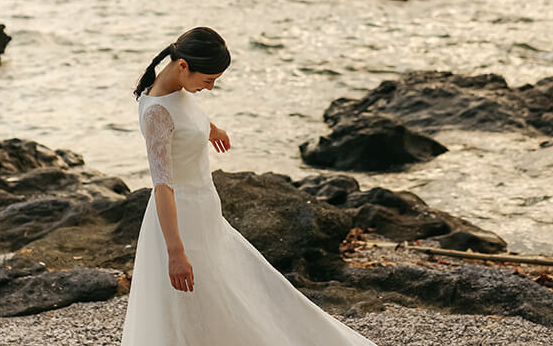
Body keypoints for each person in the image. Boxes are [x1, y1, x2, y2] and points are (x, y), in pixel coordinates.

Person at [120, 26, 380, 345]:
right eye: (209, 80)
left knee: (224, 292)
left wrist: (211, 129)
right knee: (198, 300)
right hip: (180, 221)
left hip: (204, 213)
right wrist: (175, 252)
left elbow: (183, 115)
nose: (211, 88)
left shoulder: (176, 90)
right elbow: (162, 186)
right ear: (184, 66)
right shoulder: (157, 112)